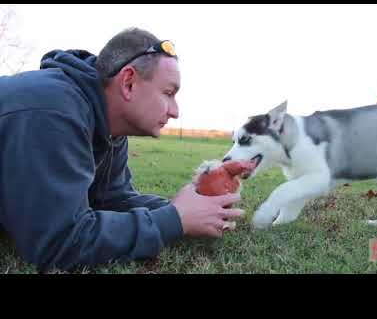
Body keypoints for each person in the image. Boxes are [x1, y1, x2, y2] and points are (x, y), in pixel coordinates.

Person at [0, 27, 245, 272]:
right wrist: (175, 219)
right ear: (128, 82)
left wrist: (188, 209)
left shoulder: (109, 129)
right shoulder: (52, 110)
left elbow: (110, 199)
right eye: (168, 93)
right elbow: (58, 243)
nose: (175, 111)